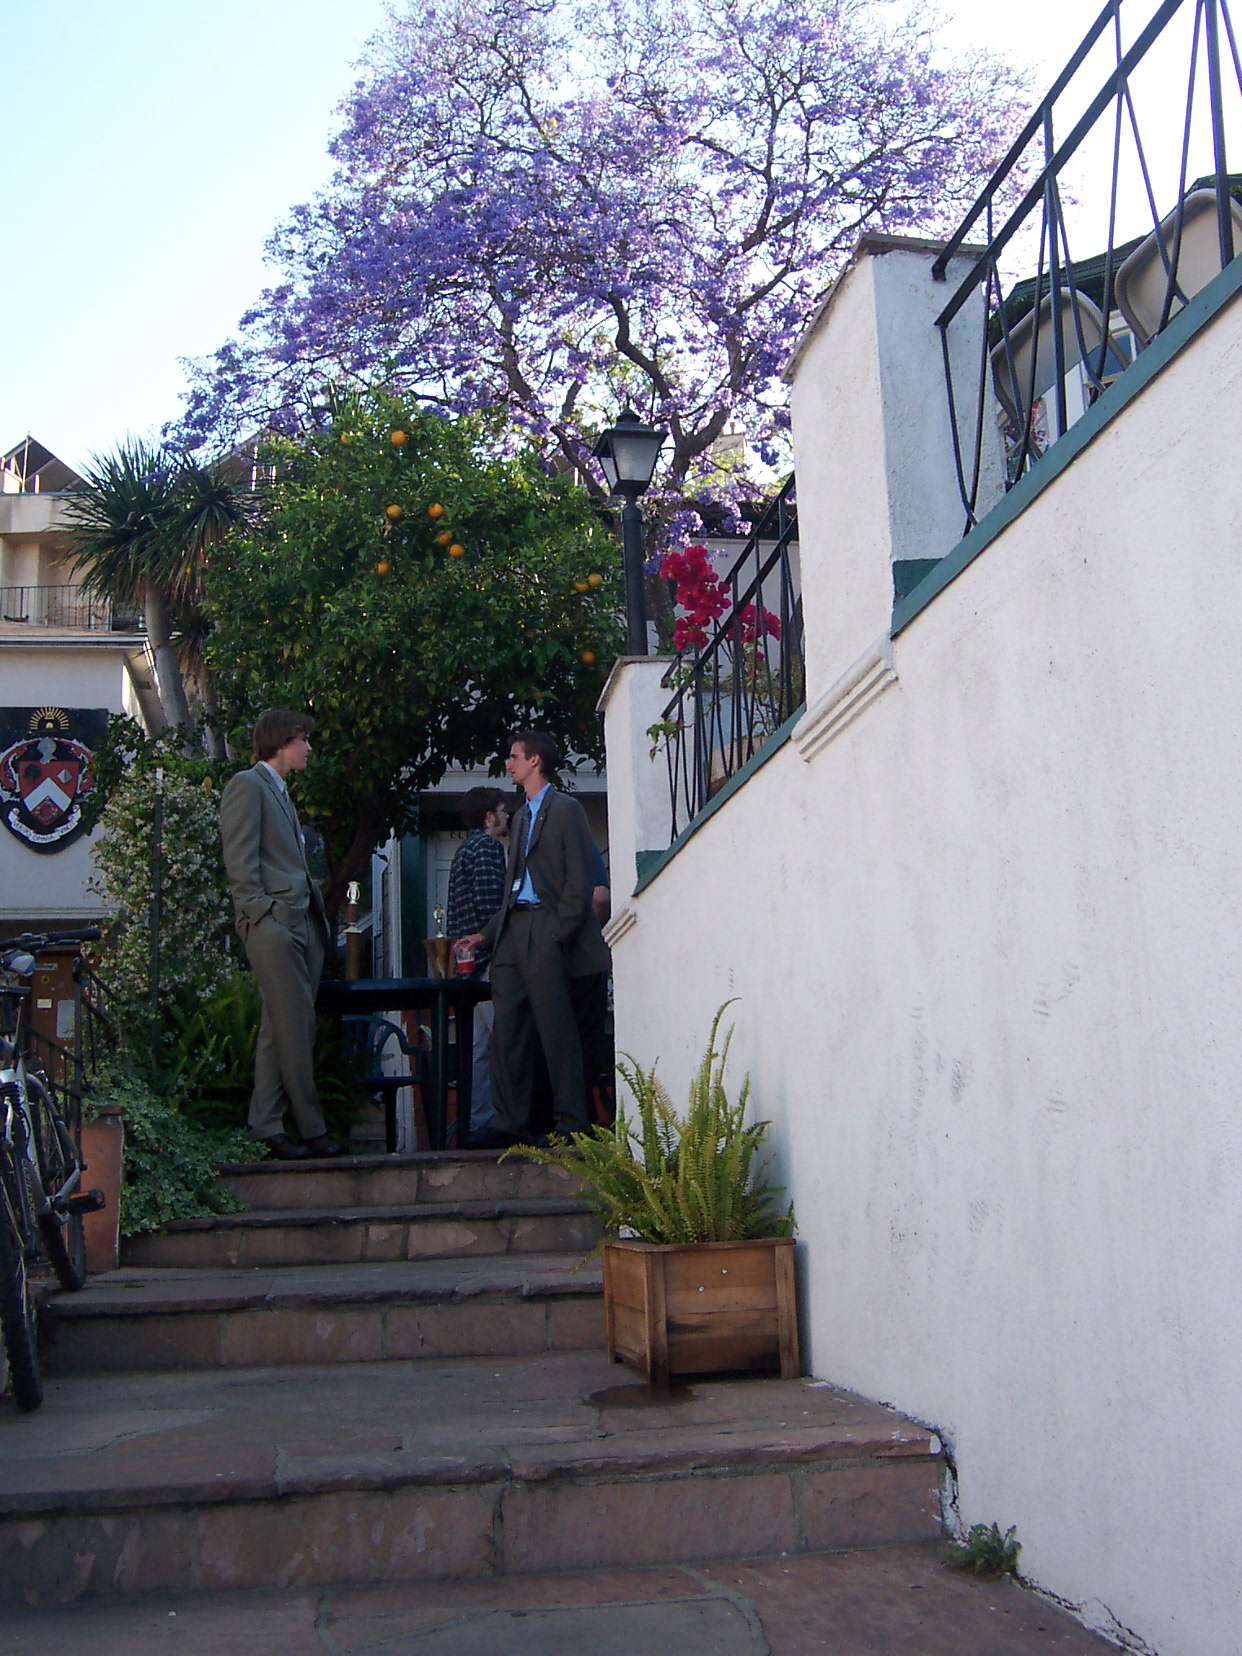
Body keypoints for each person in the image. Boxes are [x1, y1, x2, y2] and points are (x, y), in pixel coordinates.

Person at [460, 731, 610, 1145]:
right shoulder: (522, 816)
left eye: (514, 757)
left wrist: (560, 931)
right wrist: (487, 933)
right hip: (513, 930)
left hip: (546, 926)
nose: (508, 764)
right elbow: (514, 885)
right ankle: (509, 1121)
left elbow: (580, 878)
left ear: (535, 761)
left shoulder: (566, 810)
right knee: (507, 1029)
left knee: (556, 1029)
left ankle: (571, 1122)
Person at [220, 710, 345, 1160]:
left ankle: (266, 1126)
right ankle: (313, 1129)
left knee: (278, 1029)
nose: (309, 748)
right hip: (275, 926)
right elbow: (240, 861)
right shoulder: (247, 785)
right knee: (296, 1027)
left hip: (299, 921)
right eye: (302, 739)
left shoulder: (280, 791)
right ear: (280, 742)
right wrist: (263, 916)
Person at [445, 785, 510, 1145]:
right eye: (502, 809)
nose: (507, 815)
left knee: (477, 1051)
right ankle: (501, 1124)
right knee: (504, 1045)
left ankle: (475, 1125)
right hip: (487, 964)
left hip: (467, 967)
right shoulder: (486, 848)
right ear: (489, 816)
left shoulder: (464, 850)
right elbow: (493, 909)